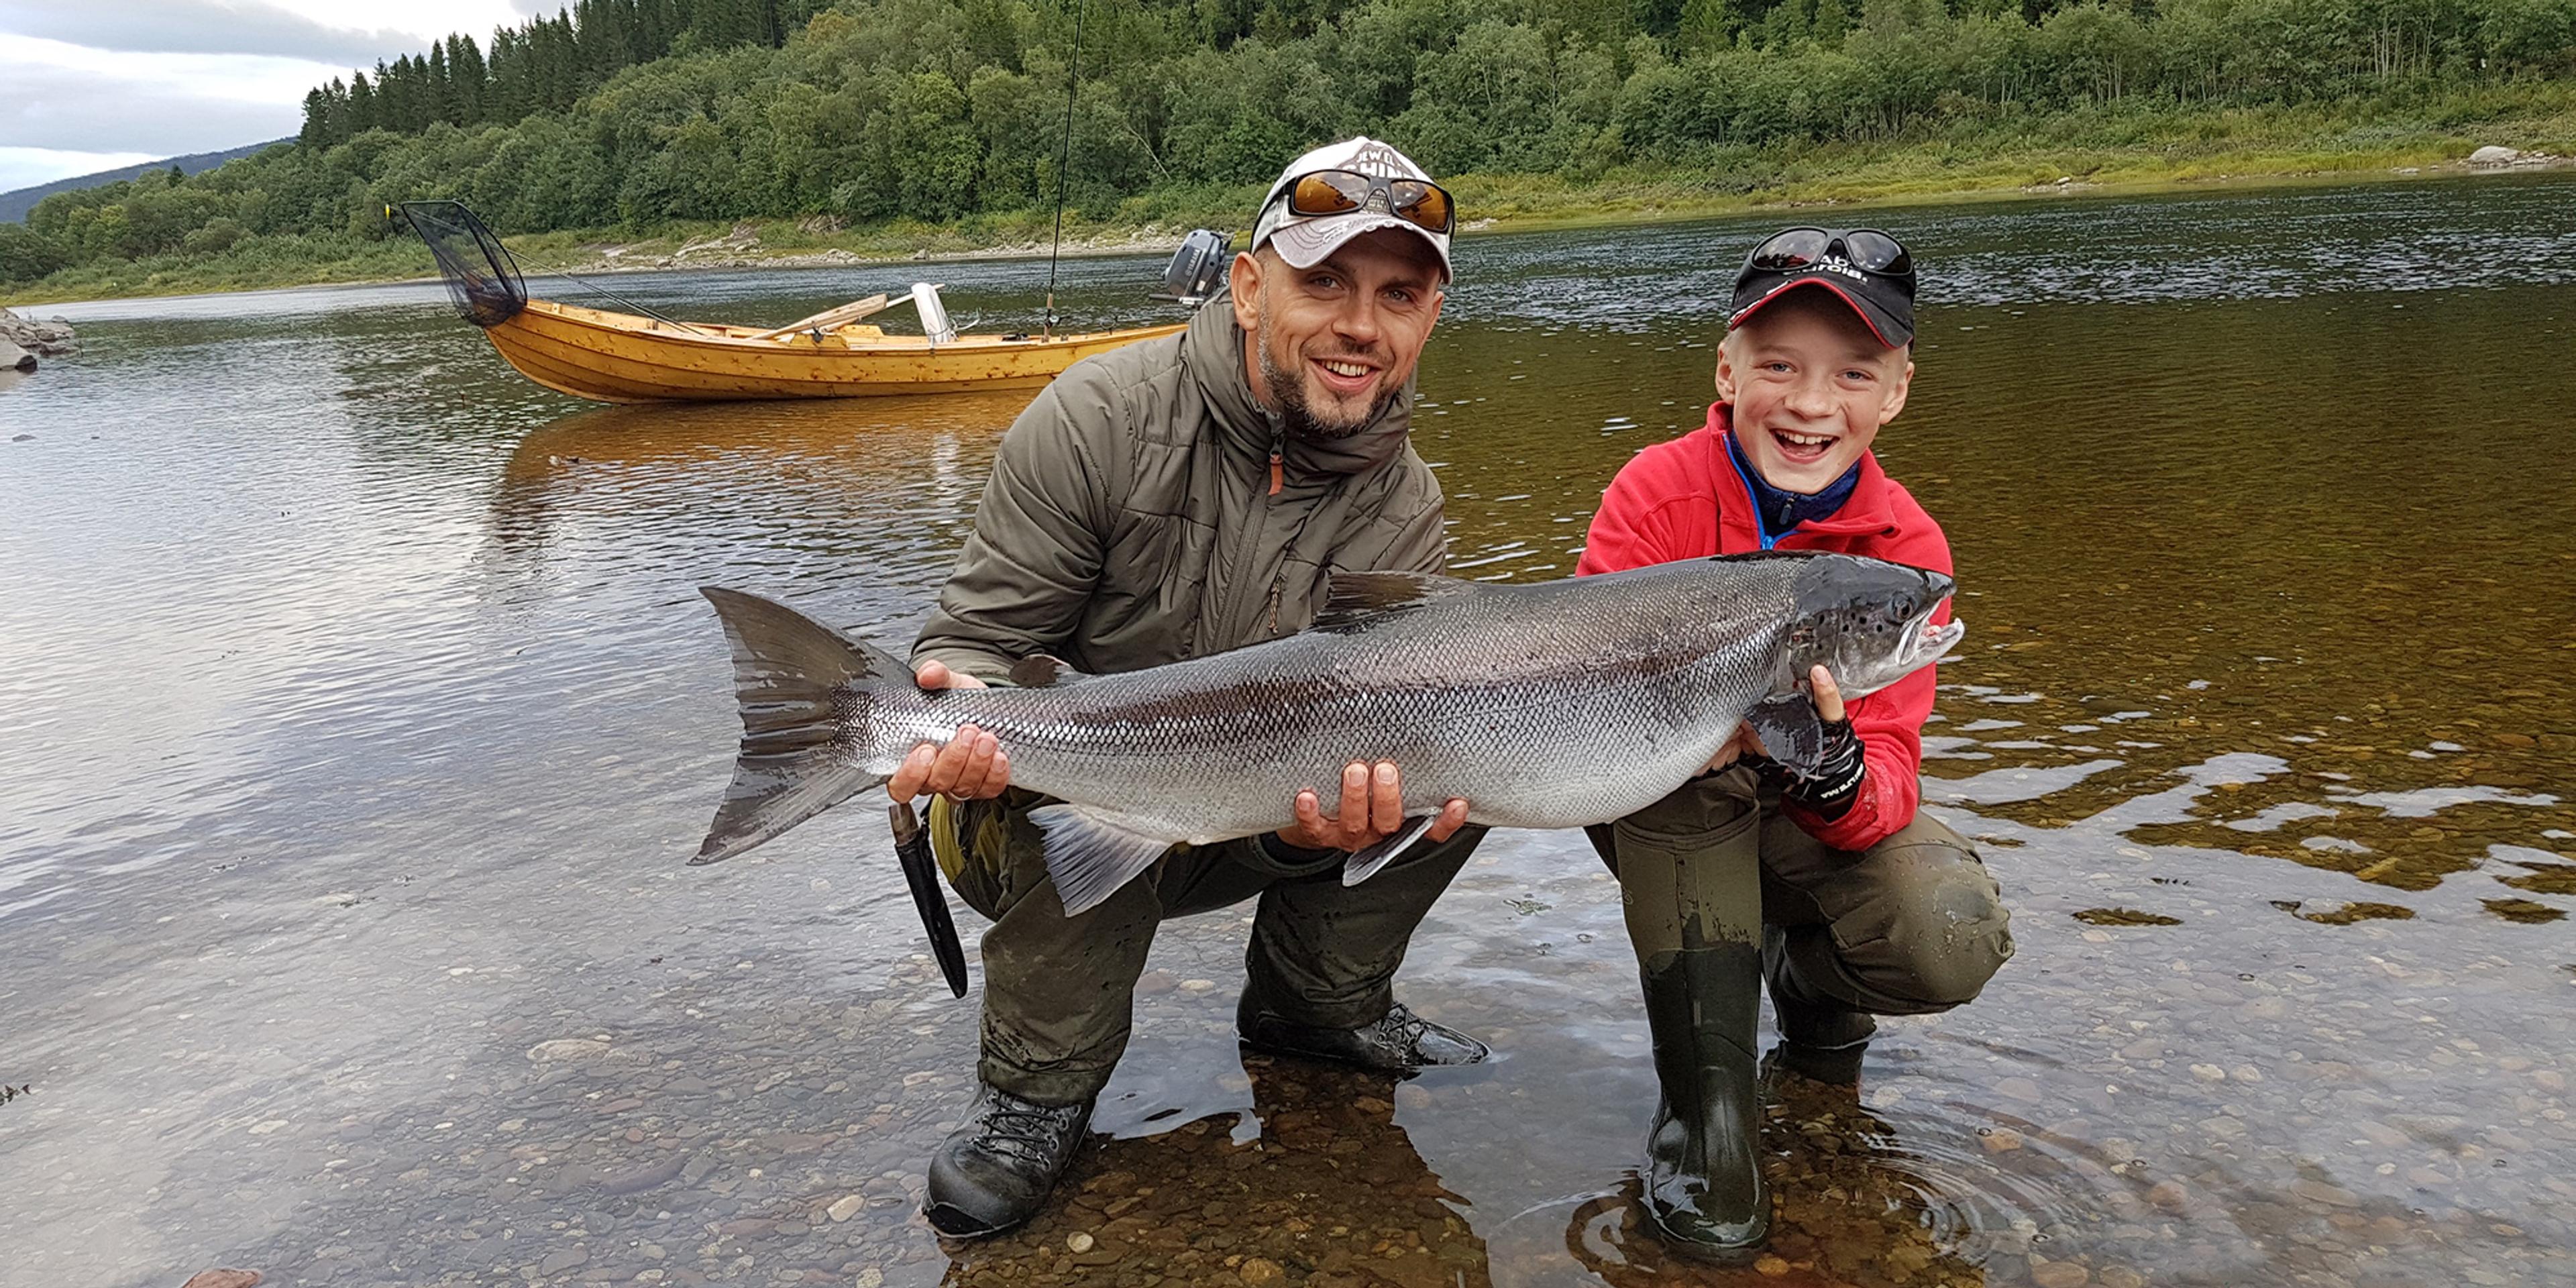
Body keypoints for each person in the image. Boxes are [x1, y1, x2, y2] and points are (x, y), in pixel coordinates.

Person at [891, 137, 1491, 1239]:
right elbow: (973, 643)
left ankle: (1315, 1012)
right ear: (1250, 287)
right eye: (1326, 283)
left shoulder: (1407, 501)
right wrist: (954, 718)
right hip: (1050, 812)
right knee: (1070, 780)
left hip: (1256, 817)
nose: (1363, 326)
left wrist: (1343, 829)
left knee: (1472, 761)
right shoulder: (1098, 419)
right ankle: (1035, 1094)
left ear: (1429, 321)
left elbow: (1391, 698)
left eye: (1399, 294)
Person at [1576, 227, 2017, 1260]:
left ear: (1896, 390)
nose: (1812, 405)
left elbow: (1891, 789)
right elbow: (1590, 699)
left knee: (1945, 934)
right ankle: (1707, 1113)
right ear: (1727, 371)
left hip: (1796, 826)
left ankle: (1811, 985)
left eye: (1852, 374)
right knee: (1684, 768)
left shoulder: (1906, 552)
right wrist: (1709, 725)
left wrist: (1833, 764)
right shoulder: (1653, 494)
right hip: (1660, 801)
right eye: (1779, 367)